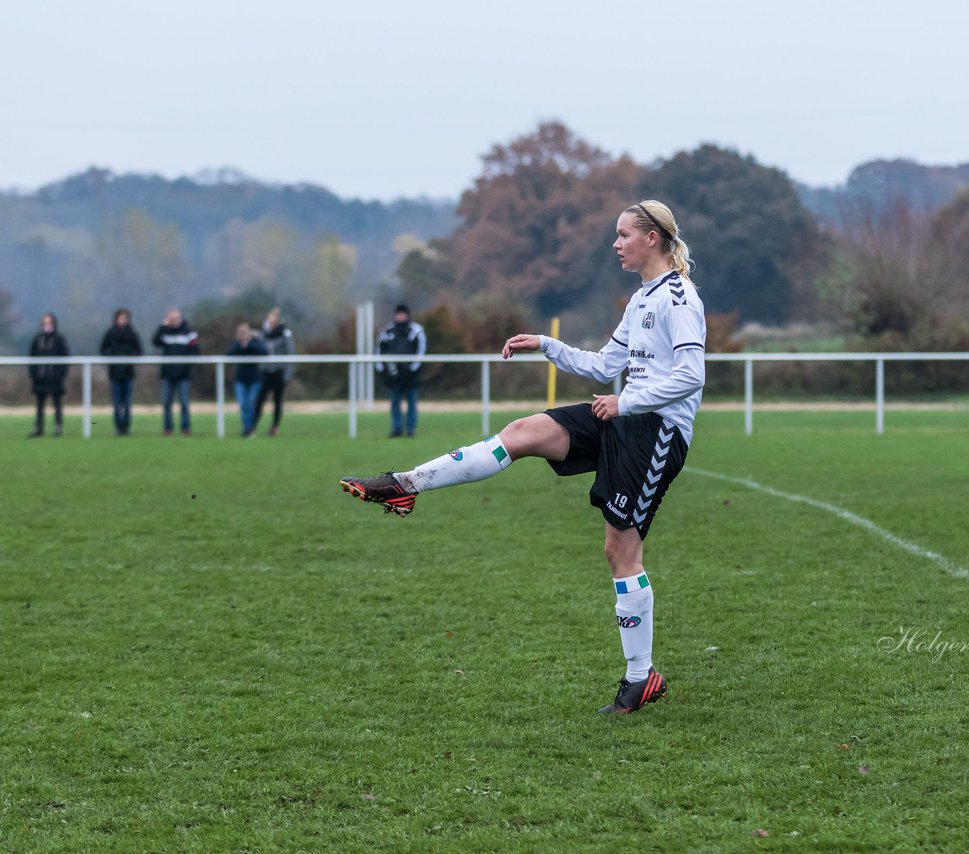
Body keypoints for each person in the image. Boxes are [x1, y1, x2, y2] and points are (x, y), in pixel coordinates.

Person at [340, 200, 706, 716]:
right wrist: (547, 345)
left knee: (620, 554)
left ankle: (640, 678)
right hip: (622, 417)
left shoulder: (679, 296)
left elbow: (692, 376)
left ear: (652, 238)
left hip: (656, 431)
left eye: (623, 235)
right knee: (522, 432)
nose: (616, 244)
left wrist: (627, 401)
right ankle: (406, 484)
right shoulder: (641, 298)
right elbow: (606, 366)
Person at [375, 304, 427, 438]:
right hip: (393, 375)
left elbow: (421, 351)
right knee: (394, 403)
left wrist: (412, 369)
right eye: (398, 314)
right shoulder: (387, 331)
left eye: (403, 314)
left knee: (411, 403)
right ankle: (396, 429)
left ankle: (411, 430)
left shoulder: (416, 330)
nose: (400, 316)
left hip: (411, 376)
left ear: (408, 315)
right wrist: (383, 371)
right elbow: (379, 351)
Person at [153, 307, 200, 436]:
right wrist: (163, 326)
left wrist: (187, 367)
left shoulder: (189, 332)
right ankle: (168, 428)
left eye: (175, 319)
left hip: (183, 375)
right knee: (166, 403)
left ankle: (186, 428)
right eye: (171, 319)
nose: (173, 322)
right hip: (167, 374)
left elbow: (196, 350)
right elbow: (155, 341)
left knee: (184, 402)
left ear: (180, 318)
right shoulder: (164, 332)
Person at [252, 307, 296, 436]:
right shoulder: (262, 334)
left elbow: (290, 354)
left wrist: (287, 375)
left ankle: (274, 427)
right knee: (259, 400)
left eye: (274, 319)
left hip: (279, 372)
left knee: (277, 401)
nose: (272, 321)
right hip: (265, 373)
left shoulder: (285, 333)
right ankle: (252, 427)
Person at [99, 308, 143, 436]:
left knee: (127, 402)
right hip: (114, 373)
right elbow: (103, 350)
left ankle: (127, 427)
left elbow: (139, 351)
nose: (122, 320)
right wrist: (112, 358)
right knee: (117, 402)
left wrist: (130, 359)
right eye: (120, 318)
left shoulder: (132, 333)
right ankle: (118, 427)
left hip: (128, 373)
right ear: (116, 319)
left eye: (125, 318)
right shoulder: (110, 333)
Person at [28, 313, 70, 438]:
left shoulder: (59, 339)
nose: (47, 325)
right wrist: (34, 374)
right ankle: (39, 428)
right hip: (40, 378)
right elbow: (32, 358)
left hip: (55, 378)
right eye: (45, 323)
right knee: (40, 405)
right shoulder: (37, 339)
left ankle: (58, 427)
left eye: (49, 323)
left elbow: (65, 357)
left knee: (57, 403)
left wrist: (61, 374)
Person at [226, 322, 267, 437]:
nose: (243, 335)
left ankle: (250, 428)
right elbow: (228, 353)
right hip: (240, 379)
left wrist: (249, 344)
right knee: (243, 405)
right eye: (241, 333)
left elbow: (264, 352)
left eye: (245, 332)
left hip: (255, 379)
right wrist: (240, 345)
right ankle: (247, 429)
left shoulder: (255, 343)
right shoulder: (236, 344)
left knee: (250, 404)